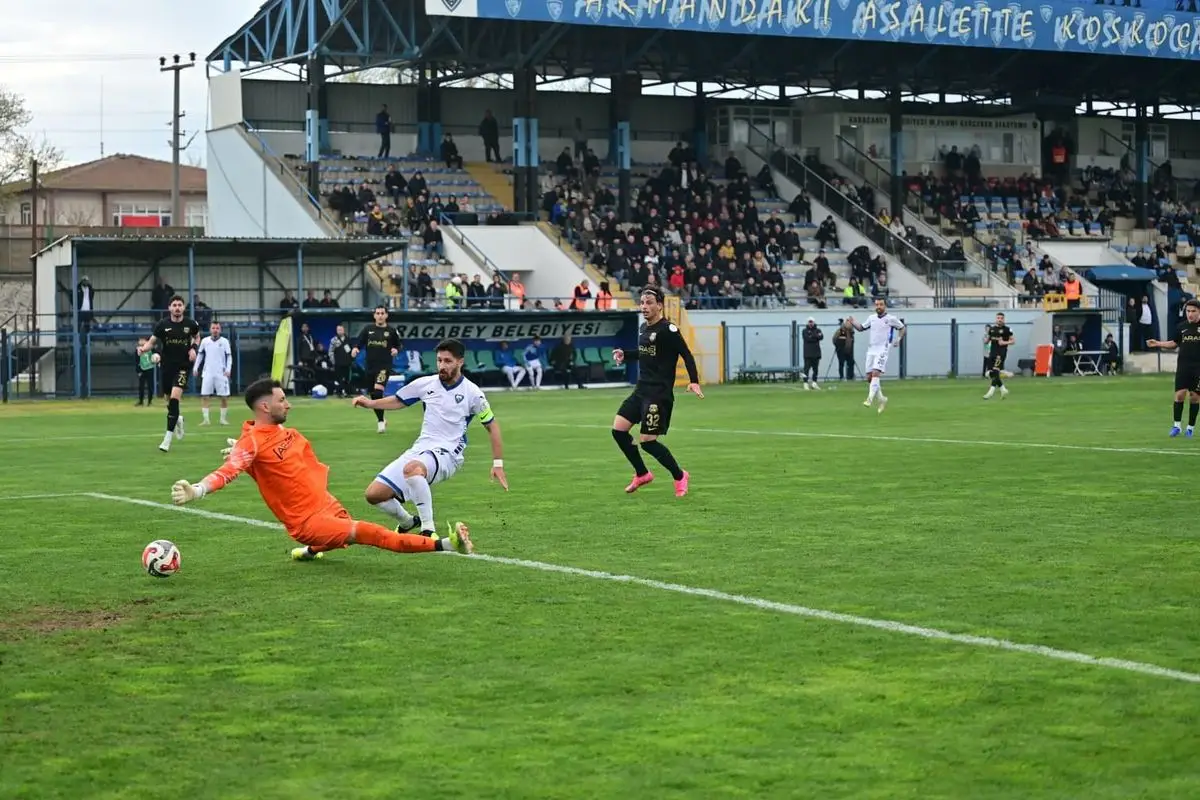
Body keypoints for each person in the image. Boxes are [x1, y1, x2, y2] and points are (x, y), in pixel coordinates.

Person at [170, 378, 473, 560]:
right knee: (372, 534)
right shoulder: (251, 443)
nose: (287, 404)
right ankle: (446, 544)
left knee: (341, 537)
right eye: (282, 399)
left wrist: (247, 454)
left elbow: (266, 461)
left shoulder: (280, 434)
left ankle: (310, 552)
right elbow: (229, 470)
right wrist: (197, 489)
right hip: (306, 522)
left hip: (325, 504)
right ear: (265, 407)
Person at [353, 338, 509, 535]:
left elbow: (492, 425)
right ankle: (408, 521)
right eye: (439, 360)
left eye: (447, 361)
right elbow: (399, 400)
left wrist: (498, 464)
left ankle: (428, 529)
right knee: (374, 494)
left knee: (413, 469)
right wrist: (370, 404)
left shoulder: (473, 394)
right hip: (421, 448)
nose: (441, 366)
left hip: (449, 453)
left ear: (460, 361)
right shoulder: (426, 384)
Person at [611, 287, 704, 497]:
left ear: (660, 305)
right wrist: (625, 354)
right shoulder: (644, 328)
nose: (644, 306)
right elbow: (646, 354)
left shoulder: (668, 330)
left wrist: (694, 381)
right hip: (641, 390)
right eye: (642, 302)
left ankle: (680, 476)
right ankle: (642, 473)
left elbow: (686, 354)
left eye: (649, 302)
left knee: (647, 442)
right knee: (618, 430)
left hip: (658, 394)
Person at [137, 295, 200, 452]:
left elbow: (197, 337)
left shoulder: (190, 324)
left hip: (183, 367)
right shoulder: (162, 325)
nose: (177, 307)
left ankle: (167, 439)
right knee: (168, 399)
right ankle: (178, 418)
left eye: (180, 305)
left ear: (183, 308)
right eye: (174, 305)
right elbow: (152, 342)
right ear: (170, 308)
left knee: (174, 400)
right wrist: (143, 349)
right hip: (166, 367)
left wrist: (194, 348)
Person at [1148, 298, 1200, 438]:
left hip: (1198, 368)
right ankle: (1176, 426)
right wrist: (1158, 343)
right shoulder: (1181, 327)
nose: (1190, 314)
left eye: (1193, 311)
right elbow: (1174, 343)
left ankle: (1190, 428)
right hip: (1183, 366)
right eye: (1188, 311)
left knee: (1194, 397)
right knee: (1179, 394)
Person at [847, 298, 905, 414]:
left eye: (881, 304)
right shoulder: (871, 318)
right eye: (877, 304)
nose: (878, 306)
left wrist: (898, 339)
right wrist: (853, 322)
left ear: (885, 306)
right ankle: (882, 399)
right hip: (871, 349)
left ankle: (869, 399)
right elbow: (861, 328)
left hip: (883, 349)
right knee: (870, 377)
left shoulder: (891, 319)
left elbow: (902, 328)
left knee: (875, 373)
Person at [351, 305, 401, 433]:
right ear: (374, 315)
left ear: (386, 315)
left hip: (384, 366)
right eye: (377, 313)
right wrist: (356, 349)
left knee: (378, 392)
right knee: (374, 395)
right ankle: (382, 418)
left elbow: (398, 345)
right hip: (370, 367)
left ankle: (380, 423)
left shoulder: (391, 331)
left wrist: (396, 349)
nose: (380, 315)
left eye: (382, 313)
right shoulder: (368, 329)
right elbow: (359, 342)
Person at [195, 321, 233, 425]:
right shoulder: (205, 341)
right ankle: (206, 419)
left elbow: (229, 356)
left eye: (217, 328)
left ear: (220, 330)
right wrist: (196, 367)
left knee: (224, 397)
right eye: (213, 328)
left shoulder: (225, 342)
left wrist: (228, 369)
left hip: (221, 373)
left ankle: (223, 419)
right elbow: (200, 355)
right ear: (210, 329)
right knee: (205, 395)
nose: (215, 330)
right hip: (208, 372)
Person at [983, 312, 1015, 400]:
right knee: (989, 373)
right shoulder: (992, 329)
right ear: (996, 319)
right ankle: (1003, 388)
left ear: (1004, 319)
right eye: (998, 318)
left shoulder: (1007, 329)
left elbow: (1013, 341)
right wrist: (985, 340)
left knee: (995, 371)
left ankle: (990, 392)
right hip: (992, 353)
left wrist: (1004, 342)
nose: (1000, 319)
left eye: (1001, 318)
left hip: (1001, 353)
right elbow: (988, 340)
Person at [801, 317, 823, 390]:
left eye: (812, 322)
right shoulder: (804, 330)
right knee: (806, 369)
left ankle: (814, 383)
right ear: (808, 323)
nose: (811, 323)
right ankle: (805, 383)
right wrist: (815, 336)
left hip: (816, 353)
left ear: (814, 322)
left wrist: (813, 335)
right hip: (807, 353)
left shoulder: (818, 330)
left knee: (815, 369)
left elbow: (821, 337)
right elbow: (807, 338)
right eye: (809, 322)